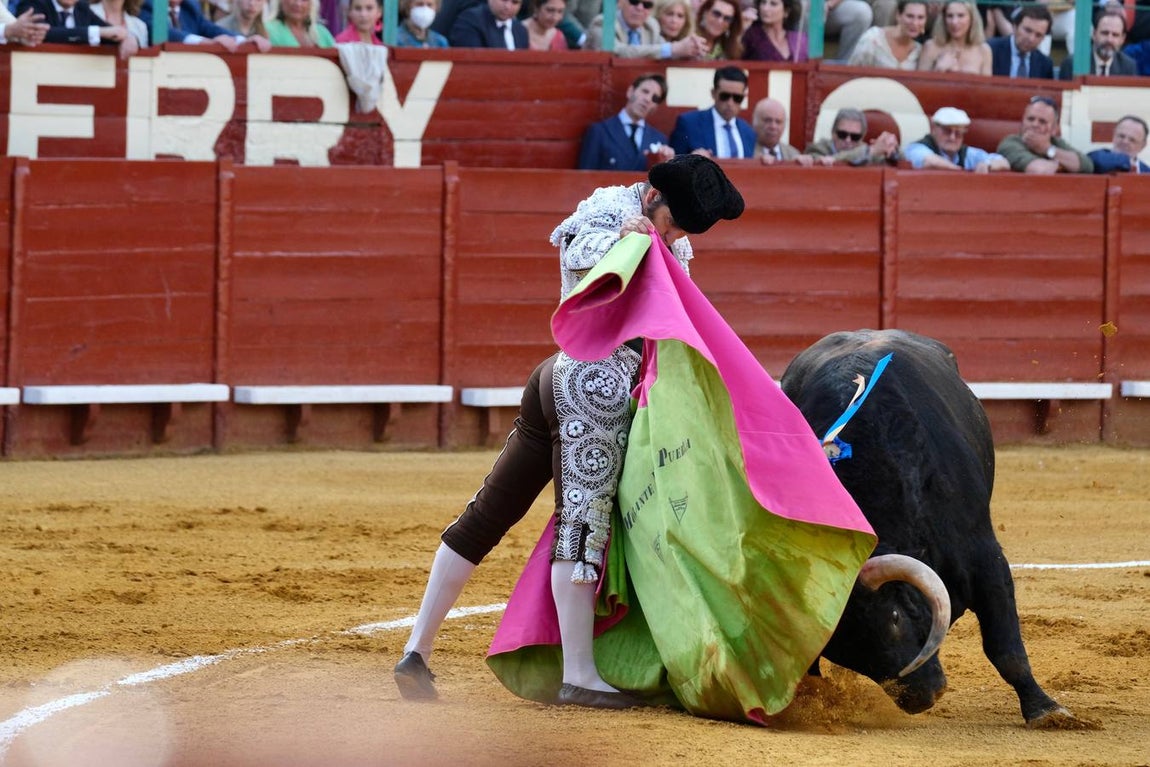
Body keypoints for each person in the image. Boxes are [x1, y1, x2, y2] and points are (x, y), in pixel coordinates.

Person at [393, 154, 745, 708]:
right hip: (592, 384)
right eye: (671, 222)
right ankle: (575, 673)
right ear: (651, 194)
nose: (673, 236)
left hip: (568, 380)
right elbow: (577, 254)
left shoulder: (668, 240)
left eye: (681, 230)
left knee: (493, 510)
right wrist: (625, 242)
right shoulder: (611, 209)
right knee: (581, 523)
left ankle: (418, 651)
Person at [578, 73, 675, 171]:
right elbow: (585, 177)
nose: (648, 99)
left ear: (655, 107)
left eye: (655, 98)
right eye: (645, 91)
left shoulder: (659, 139)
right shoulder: (599, 132)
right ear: (630, 91)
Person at [668, 65, 757, 158]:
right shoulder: (689, 124)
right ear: (713, 93)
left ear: (744, 97)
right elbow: (672, 165)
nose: (730, 103)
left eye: (737, 98)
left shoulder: (748, 132)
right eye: (724, 96)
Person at [996, 95, 1094, 174]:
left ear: (1054, 129)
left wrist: (1047, 149)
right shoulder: (1010, 143)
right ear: (1022, 122)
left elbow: (1087, 166)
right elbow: (1039, 170)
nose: (1034, 124)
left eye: (1042, 121)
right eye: (1030, 119)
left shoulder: (1055, 142)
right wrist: (1062, 163)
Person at [586, 0, 705, 59]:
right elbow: (617, 53)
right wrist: (672, 49)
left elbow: (666, 50)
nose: (639, 8)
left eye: (647, 5)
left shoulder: (650, 25)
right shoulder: (603, 22)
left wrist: (691, 48)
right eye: (634, 1)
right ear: (621, 2)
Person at [904, 106, 1010, 172]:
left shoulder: (967, 153)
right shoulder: (917, 147)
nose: (952, 137)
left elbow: (1004, 162)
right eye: (947, 131)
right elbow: (930, 162)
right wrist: (964, 172)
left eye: (958, 133)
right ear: (934, 129)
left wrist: (988, 165)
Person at [18, 0, 138, 56]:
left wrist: (128, 37)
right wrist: (97, 32)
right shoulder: (34, 4)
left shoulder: (82, 8)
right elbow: (44, 33)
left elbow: (111, 32)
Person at [140, 0, 263, 49]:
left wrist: (242, 40)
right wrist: (204, 42)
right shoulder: (149, 5)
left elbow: (210, 28)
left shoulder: (189, 7)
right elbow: (163, 33)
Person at [805, 106, 901, 165]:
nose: (848, 140)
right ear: (833, 133)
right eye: (842, 134)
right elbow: (822, 162)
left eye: (855, 137)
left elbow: (901, 162)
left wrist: (891, 149)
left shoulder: (865, 150)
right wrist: (872, 150)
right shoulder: (817, 149)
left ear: (862, 137)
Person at [847, 0, 927, 69]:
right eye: (910, 16)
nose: (915, 23)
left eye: (920, 18)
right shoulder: (873, 39)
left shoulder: (918, 52)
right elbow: (853, 72)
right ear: (898, 15)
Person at [918, 0, 991, 74]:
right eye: (950, 16)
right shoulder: (930, 47)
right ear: (943, 19)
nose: (954, 22)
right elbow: (918, 83)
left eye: (961, 15)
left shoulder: (983, 50)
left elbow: (987, 85)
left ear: (972, 19)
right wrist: (938, 69)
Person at [1058, 10, 1136, 78]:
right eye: (1105, 33)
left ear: (1122, 39)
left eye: (1115, 35)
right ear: (1094, 34)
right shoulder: (1072, 64)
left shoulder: (1128, 67)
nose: (1109, 40)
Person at [988, 4, 1054, 79]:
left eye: (1038, 35)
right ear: (1015, 27)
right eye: (1028, 30)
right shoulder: (991, 50)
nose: (1031, 39)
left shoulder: (1045, 64)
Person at [751, 96, 815, 164]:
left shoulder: (793, 153)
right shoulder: (746, 151)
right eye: (767, 120)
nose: (773, 126)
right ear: (754, 122)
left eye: (778, 122)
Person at [742, 0, 807, 61]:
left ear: (786, 11)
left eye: (773, 4)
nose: (765, 8)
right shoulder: (751, 36)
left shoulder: (799, 39)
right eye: (763, 2)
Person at [450, 0, 528, 47]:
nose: (508, 6)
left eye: (515, 2)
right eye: (503, 0)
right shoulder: (470, 20)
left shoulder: (521, 31)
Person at [265, 0, 335, 45]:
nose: (298, 4)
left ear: (312, 4)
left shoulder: (322, 33)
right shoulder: (267, 30)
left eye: (304, 0)